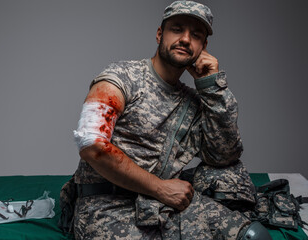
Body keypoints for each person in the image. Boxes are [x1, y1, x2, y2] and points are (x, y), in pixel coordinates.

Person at [65, 1, 272, 239]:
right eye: (177, 29)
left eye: (196, 35)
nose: (185, 39)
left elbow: (225, 156)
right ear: (159, 34)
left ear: (203, 46)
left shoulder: (194, 102)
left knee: (253, 236)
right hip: (106, 208)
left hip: (161, 203)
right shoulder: (121, 77)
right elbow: (92, 145)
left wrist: (212, 86)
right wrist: (160, 188)